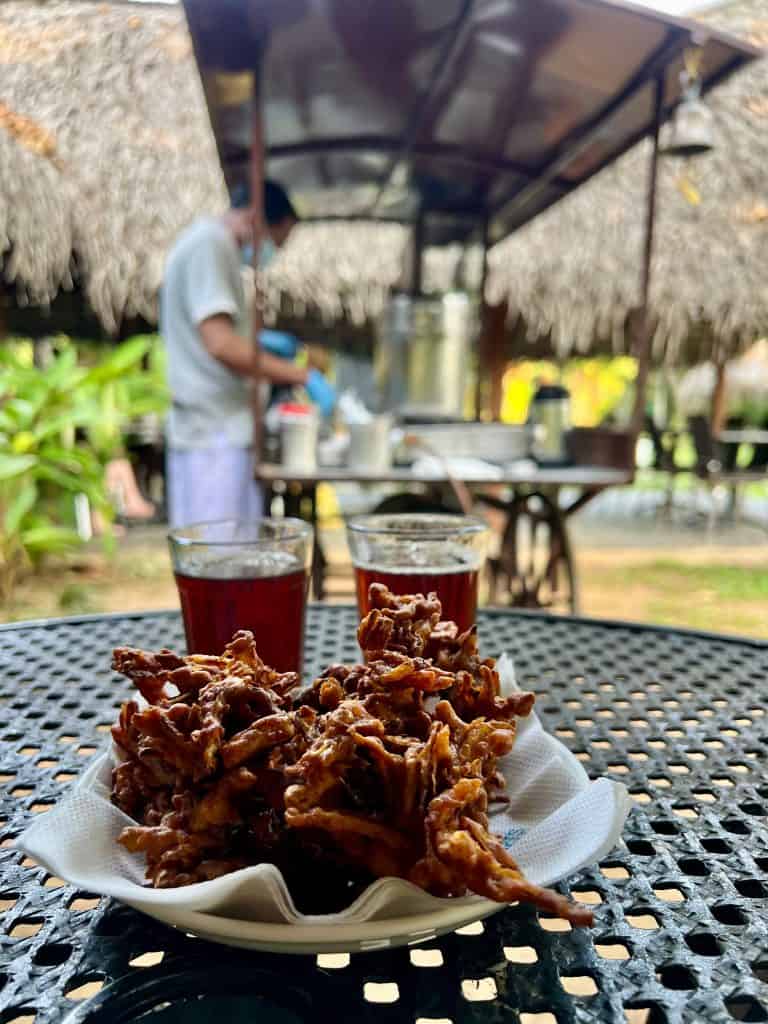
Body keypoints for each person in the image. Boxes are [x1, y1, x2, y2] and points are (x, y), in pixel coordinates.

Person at [160, 180, 335, 527]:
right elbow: (220, 343)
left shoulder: (209, 245)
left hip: (214, 431)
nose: (270, 253)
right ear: (256, 219)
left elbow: (215, 331)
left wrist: (261, 343)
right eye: (274, 242)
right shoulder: (211, 244)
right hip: (213, 436)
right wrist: (301, 375)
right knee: (220, 561)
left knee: (225, 559)